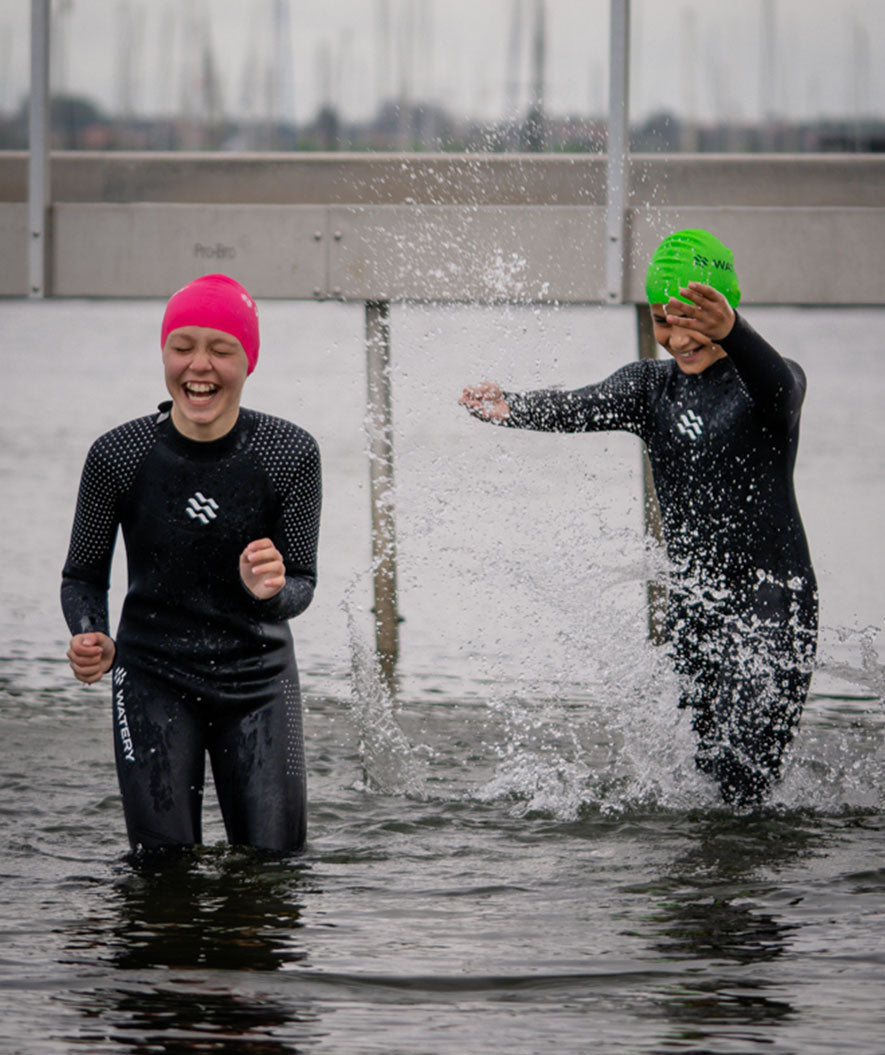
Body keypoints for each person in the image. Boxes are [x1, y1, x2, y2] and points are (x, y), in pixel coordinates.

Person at [459, 229, 817, 806]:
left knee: (747, 785)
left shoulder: (771, 384)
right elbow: (575, 405)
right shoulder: (651, 389)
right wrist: (514, 406)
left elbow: (780, 387)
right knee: (702, 782)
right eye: (661, 320)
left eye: (693, 320)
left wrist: (735, 333)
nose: (677, 338)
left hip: (772, 608)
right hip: (695, 611)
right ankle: (704, 889)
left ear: (725, 311)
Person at [61, 273, 321, 853]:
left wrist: (270, 591)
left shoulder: (288, 454)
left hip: (258, 682)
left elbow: (301, 582)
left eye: (220, 350)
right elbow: (82, 576)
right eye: (182, 347)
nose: (198, 365)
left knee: (273, 869)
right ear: (164, 355)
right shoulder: (118, 455)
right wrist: (90, 633)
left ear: (248, 362)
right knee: (162, 873)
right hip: (151, 678)